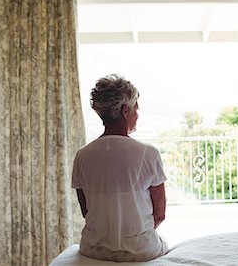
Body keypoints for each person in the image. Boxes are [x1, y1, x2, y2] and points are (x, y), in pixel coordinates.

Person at [72, 74, 168, 262]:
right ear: (125, 110)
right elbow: (160, 214)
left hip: (94, 248)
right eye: (136, 109)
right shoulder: (149, 153)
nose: (137, 115)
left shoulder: (82, 155)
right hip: (141, 250)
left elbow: (87, 211)